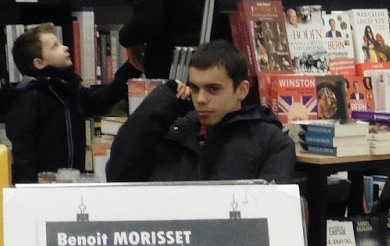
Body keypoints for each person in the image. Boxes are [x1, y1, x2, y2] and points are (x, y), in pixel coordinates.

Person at [105, 40, 296, 183]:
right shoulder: (174, 134)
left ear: (242, 90)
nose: (201, 99)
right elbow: (118, 176)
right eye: (195, 88)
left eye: (213, 89)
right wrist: (163, 99)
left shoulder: (272, 142)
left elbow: (271, 213)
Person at [6, 24, 139, 184]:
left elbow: (103, 98)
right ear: (39, 63)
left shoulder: (69, 91)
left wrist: (133, 66)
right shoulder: (29, 97)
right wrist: (28, 188)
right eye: (55, 46)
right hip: (42, 186)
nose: (65, 47)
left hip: (72, 182)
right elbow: (23, 150)